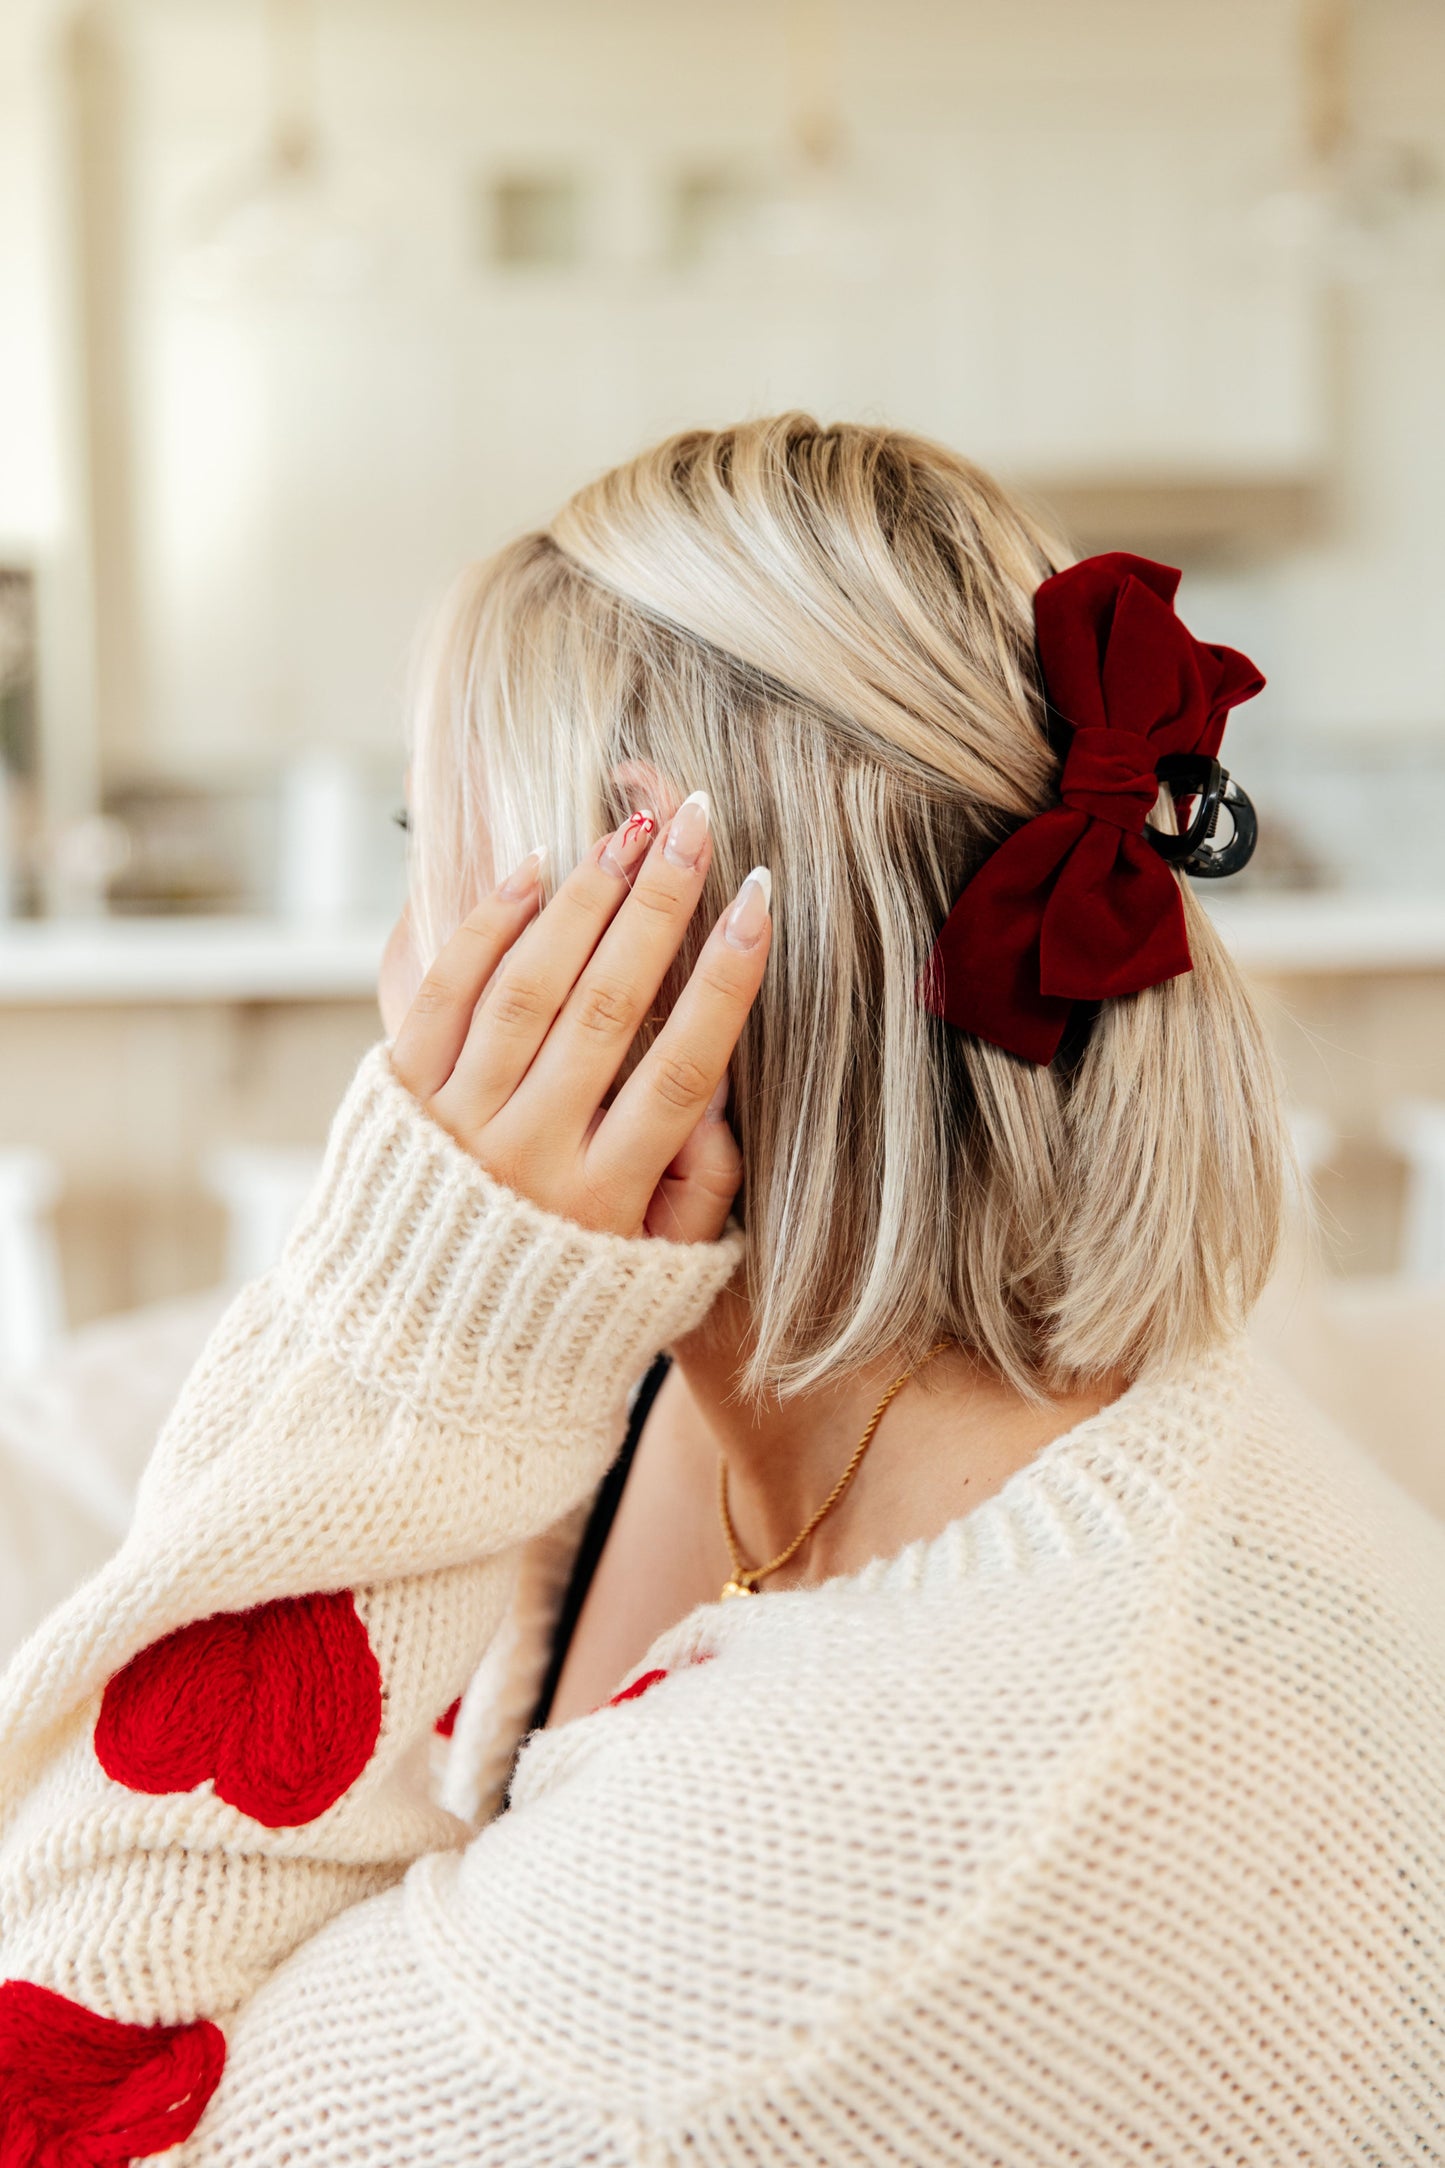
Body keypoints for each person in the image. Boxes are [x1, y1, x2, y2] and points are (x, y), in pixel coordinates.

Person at [1, 416, 1441, 2164]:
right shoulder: (1085, 1421)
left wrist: (407, 1325)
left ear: (644, 934)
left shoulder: (775, 1926)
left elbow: (62, 2103)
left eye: (422, 851)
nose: (395, 967)